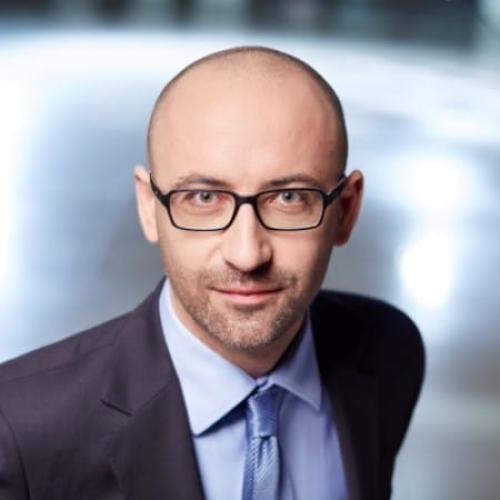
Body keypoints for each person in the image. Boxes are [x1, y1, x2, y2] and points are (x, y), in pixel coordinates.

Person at [0, 46, 424, 500]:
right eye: (203, 198)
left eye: (289, 198)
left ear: (346, 211)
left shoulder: (387, 352)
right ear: (149, 207)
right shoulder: (19, 430)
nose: (247, 254)